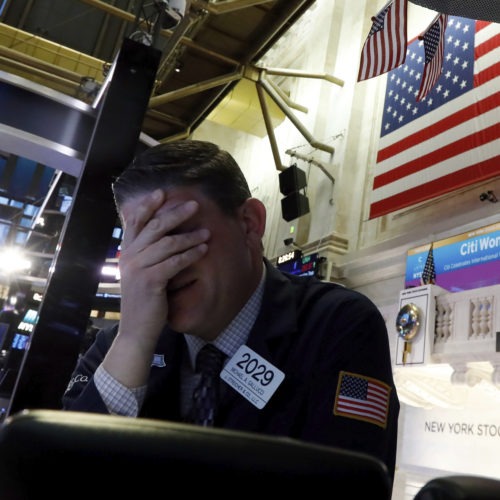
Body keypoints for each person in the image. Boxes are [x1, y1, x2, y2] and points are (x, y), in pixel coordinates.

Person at [62, 139, 400, 482]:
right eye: (142, 245)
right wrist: (133, 339)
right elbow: (61, 477)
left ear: (250, 224)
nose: (160, 267)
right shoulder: (114, 349)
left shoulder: (337, 326)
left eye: (175, 235)